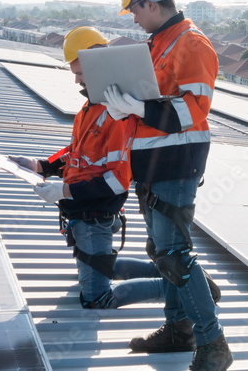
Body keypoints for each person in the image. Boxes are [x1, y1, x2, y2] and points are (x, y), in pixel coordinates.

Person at [107, 0, 232, 371]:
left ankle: (213, 346)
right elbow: (154, 105)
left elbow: (193, 111)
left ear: (149, 3)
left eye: (135, 10)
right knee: (163, 253)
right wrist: (124, 105)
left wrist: (138, 107)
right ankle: (179, 330)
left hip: (177, 161)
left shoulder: (190, 44)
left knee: (174, 255)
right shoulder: (158, 43)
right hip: (155, 163)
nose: (134, 18)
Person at [9, 26, 164, 309]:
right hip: (83, 216)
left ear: (99, 66)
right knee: (100, 265)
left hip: (95, 216)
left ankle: (179, 286)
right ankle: (170, 273)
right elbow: (77, 154)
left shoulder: (117, 114)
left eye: (81, 73)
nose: (77, 80)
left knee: (96, 297)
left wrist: (64, 190)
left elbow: (118, 182)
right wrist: (41, 165)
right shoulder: (89, 108)